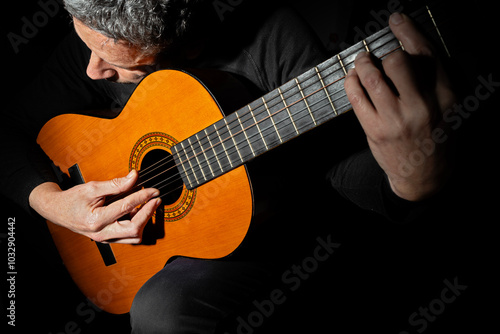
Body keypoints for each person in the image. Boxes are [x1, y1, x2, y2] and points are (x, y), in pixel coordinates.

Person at [0, 0, 455, 332]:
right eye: (87, 47)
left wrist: (417, 172)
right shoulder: (104, 26)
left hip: (267, 230)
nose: (91, 71)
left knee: (162, 314)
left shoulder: (273, 36)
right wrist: (56, 205)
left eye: (123, 66)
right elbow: (6, 134)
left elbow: (342, 176)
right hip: (133, 250)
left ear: (191, 45)